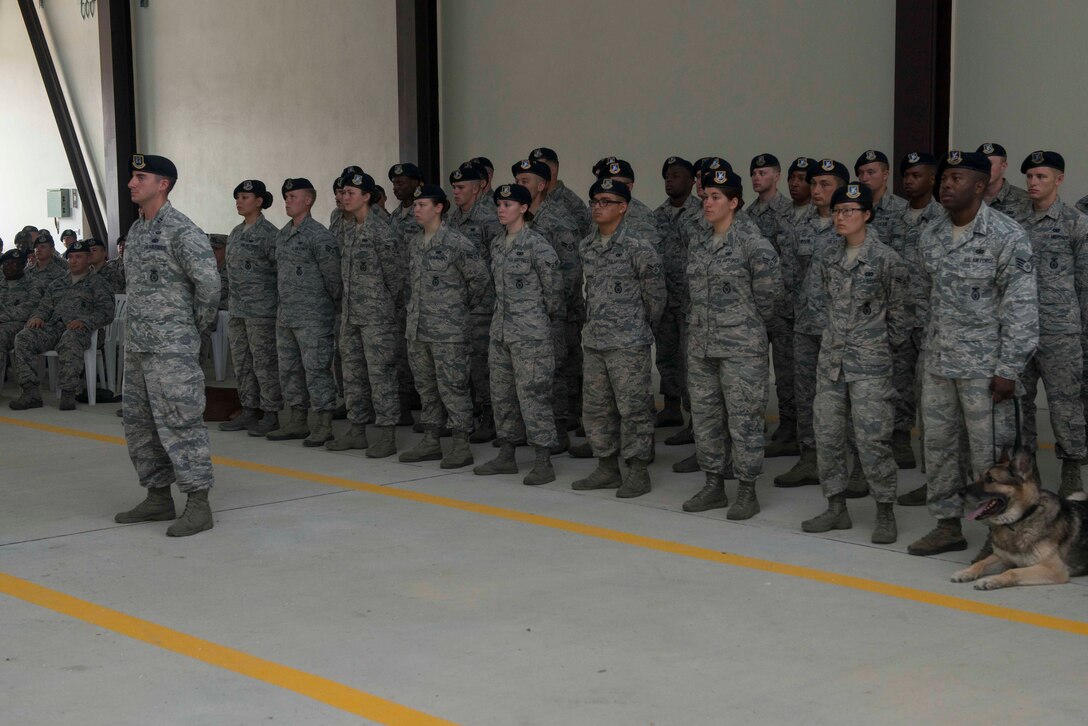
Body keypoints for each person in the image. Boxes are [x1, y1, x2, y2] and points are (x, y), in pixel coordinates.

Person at [907, 150, 1038, 556]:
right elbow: (922, 297)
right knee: (940, 448)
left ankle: (997, 537)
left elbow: (1021, 306)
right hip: (940, 363)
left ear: (981, 186)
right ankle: (947, 525)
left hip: (986, 370)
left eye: (957, 178)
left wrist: (1009, 368)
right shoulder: (931, 234)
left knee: (991, 459)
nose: (947, 184)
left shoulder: (1006, 234)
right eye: (945, 178)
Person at [112, 154, 221, 537]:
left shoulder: (183, 231)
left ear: (164, 184)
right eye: (132, 177)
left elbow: (209, 287)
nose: (131, 183)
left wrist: (191, 331)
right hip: (139, 347)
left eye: (140, 177)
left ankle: (198, 504)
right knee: (140, 426)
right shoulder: (138, 231)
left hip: (172, 349)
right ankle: (158, 497)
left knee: (181, 422)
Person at [800, 182, 908, 543]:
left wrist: (874, 343)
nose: (841, 217)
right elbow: (816, 303)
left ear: (867, 214)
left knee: (873, 440)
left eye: (849, 211)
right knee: (827, 437)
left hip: (870, 365)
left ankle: (885, 511)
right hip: (831, 362)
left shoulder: (885, 259)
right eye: (837, 211)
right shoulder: (827, 257)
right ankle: (835, 507)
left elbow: (900, 316)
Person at [681, 167, 781, 519]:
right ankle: (713, 485)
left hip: (741, 348)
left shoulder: (755, 246)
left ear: (734, 202)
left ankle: (747, 489)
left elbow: (769, 300)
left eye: (716, 197)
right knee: (706, 418)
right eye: (705, 196)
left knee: (745, 420)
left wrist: (745, 329)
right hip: (703, 347)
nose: (707, 203)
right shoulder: (700, 242)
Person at [572, 178, 664, 497]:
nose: (598, 207)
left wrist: (636, 327)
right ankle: (607, 467)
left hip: (628, 343)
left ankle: (638, 470)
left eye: (606, 201)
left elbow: (656, 299)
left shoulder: (639, 248)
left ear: (623, 207)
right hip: (595, 341)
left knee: (634, 407)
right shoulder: (587, 246)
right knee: (596, 408)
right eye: (595, 200)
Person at [473, 183, 561, 485]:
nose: (501, 209)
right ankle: (507, 454)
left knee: (533, 395)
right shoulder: (497, 244)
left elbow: (554, 294)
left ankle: (543, 459)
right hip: (500, 332)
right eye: (499, 203)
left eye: (508, 204)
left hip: (530, 334)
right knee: (502, 395)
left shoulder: (538, 245)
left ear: (523, 208)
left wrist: (533, 321)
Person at [399, 184, 491, 467]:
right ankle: (431, 440)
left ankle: (461, 444)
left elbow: (481, 280)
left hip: (449, 331)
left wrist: (457, 309)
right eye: (415, 206)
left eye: (423, 205)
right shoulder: (415, 243)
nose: (416, 209)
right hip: (418, 330)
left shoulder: (456, 242)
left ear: (439, 207)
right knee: (426, 388)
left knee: (453, 388)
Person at [774, 159, 850, 488]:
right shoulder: (799, 227)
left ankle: (852, 463)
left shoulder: (851, 227)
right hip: (804, 327)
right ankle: (809, 458)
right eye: (814, 184)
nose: (816, 190)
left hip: (840, 330)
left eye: (825, 185)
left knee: (844, 398)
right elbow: (789, 277)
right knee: (806, 395)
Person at [1017, 151, 1088, 496]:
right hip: (1021, 330)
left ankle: (1072, 467)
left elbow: (1086, 285)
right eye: (1030, 176)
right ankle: (1027, 471)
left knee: (1066, 404)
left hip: (1062, 332)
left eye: (1041, 176)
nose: (1033, 182)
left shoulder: (1076, 223)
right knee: (1020, 404)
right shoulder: (1013, 223)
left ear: (1059, 179)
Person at [325, 171, 402, 458]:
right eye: (343, 193)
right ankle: (357, 430)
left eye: (351, 194)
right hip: (350, 314)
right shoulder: (347, 229)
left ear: (366, 197)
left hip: (377, 317)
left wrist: (380, 304)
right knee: (353, 375)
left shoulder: (382, 231)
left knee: (381, 375)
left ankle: (387, 434)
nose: (344, 198)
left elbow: (396, 278)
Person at [265, 177, 342, 446]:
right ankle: (297, 420)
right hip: (286, 315)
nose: (287, 201)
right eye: (285, 197)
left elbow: (334, 278)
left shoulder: (319, 235)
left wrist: (327, 308)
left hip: (313, 316)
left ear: (308, 200)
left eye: (293, 197)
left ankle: (323, 423)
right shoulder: (283, 234)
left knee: (317, 369)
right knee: (289, 369)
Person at [514, 158, 582, 452]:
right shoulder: (520, 221)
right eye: (517, 181)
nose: (520, 186)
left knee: (557, 370)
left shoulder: (559, 220)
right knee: (535, 375)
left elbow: (571, 271)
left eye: (525, 182)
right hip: (526, 314)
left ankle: (560, 429)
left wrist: (555, 310)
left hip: (555, 312)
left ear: (542, 186)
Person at [887, 152, 944, 488]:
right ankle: (899, 440)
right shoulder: (894, 219)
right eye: (906, 175)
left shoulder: (942, 219)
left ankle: (931, 473)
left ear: (932, 179)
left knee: (930, 395)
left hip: (928, 321)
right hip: (898, 316)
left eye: (916, 175)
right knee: (897, 383)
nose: (909, 181)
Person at [9, 240, 114, 411]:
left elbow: (107, 312)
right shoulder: (58, 283)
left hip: (84, 330)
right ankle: (30, 392)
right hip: (55, 328)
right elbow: (44, 306)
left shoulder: (98, 283)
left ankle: (68, 392)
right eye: (70, 257)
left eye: (78, 257)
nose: (73, 261)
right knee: (24, 337)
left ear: (88, 259)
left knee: (70, 338)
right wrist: (37, 316)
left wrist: (85, 321)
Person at [219, 179, 283, 436]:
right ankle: (248, 409)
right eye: (238, 197)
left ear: (259, 201)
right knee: (242, 363)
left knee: (264, 363)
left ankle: (270, 413)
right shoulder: (235, 233)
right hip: (238, 310)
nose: (239, 201)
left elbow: (280, 272)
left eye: (245, 197)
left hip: (262, 311)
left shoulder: (269, 234)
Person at [446, 162, 502, 442]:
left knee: (483, 364)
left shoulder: (490, 218)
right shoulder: (453, 219)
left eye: (461, 187)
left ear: (479, 187)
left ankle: (491, 416)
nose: (455, 192)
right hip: (458, 304)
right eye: (454, 187)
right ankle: (468, 414)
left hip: (484, 304)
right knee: (461, 362)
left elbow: (497, 261)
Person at [749, 153, 800, 455]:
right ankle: (755, 423)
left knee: (785, 370)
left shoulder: (790, 212)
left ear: (777, 176)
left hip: (783, 306)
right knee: (754, 370)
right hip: (756, 305)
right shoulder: (747, 214)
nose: (757, 177)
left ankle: (789, 424)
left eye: (763, 172)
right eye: (754, 173)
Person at [651, 156, 700, 430]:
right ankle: (671, 407)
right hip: (665, 298)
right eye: (667, 175)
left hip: (691, 301)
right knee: (666, 354)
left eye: (677, 175)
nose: (670, 179)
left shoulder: (702, 212)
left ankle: (695, 418)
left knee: (691, 360)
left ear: (692, 181)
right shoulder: (656, 217)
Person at [528, 146, 592, 238]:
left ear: (553, 169)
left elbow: (579, 240)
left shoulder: (573, 203)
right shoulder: (526, 200)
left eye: (539, 167)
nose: (534, 172)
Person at [854, 149, 907, 244]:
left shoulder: (902, 208)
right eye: (861, 173)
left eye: (871, 172)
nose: (864, 178)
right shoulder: (853, 207)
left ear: (885, 175)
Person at [0, 249, 42, 366]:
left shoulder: (33, 284)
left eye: (15, 264)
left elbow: (29, 308)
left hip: (21, 325)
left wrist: (2, 317)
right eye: (7, 264)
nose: (10, 267)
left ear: (23, 266)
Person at [977, 142, 1030, 218]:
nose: (984, 168)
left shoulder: (1024, 200)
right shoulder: (968, 197)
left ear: (1003, 166)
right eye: (980, 164)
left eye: (989, 164)